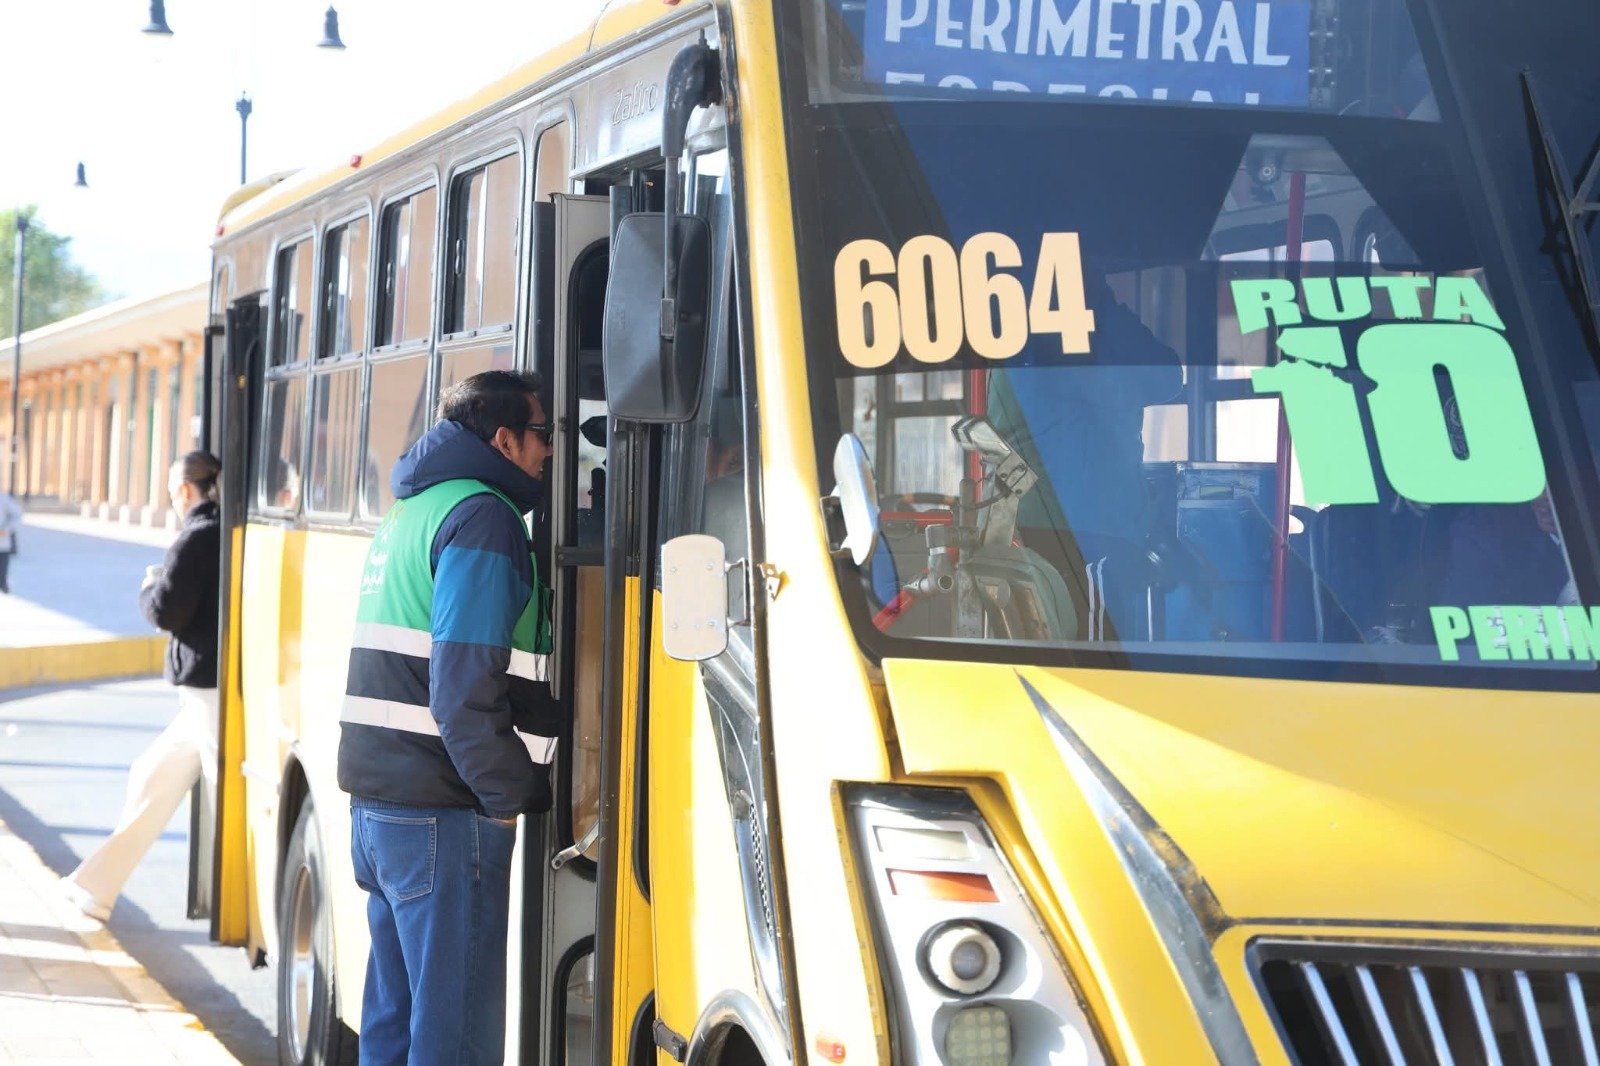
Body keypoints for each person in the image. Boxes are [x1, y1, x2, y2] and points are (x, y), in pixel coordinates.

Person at [339, 370, 560, 1063]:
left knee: (395, 1027)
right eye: (541, 435)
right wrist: (505, 798)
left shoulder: (416, 507)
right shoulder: (484, 517)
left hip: (382, 811)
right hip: (444, 810)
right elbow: (462, 686)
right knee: (455, 1040)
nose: (550, 452)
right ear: (503, 438)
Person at [60, 451, 222, 921]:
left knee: (209, 788)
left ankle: (95, 889)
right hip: (200, 692)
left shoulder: (196, 536)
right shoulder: (213, 533)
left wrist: (148, 587)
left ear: (185, 491)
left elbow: (167, 610)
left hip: (206, 692)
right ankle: (94, 888)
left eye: (172, 492)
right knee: (149, 776)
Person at [0, 487, 21, 594]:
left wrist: (6, 530)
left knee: (2, 574)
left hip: (2, 544)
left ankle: (3, 587)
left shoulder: (3, 499)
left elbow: (17, 515)